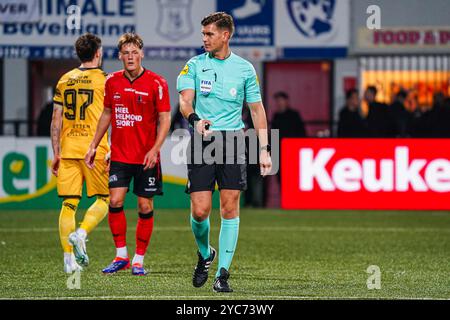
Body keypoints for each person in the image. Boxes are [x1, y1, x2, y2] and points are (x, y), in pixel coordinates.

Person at [177, 12, 272, 293]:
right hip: (203, 141)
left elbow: (257, 110)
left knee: (229, 208)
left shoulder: (245, 69)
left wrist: (264, 149)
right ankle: (206, 253)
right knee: (200, 210)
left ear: (225, 35)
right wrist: (196, 120)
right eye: (203, 34)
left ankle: (222, 275)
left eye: (209, 34)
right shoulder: (193, 65)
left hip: (232, 142)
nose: (204, 39)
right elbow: (184, 102)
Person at [85, 32, 171, 276]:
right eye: (126, 53)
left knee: (144, 206)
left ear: (141, 54)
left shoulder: (157, 83)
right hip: (120, 155)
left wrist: (155, 149)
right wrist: (94, 145)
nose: (131, 57)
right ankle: (121, 255)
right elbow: (106, 114)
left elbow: (165, 118)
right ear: (120, 56)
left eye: (135, 52)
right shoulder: (111, 81)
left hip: (147, 157)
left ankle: (138, 259)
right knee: (115, 201)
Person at [50, 33, 110, 274]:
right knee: (104, 199)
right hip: (94, 149)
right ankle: (81, 233)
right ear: (97, 53)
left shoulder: (65, 80)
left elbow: (56, 120)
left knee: (69, 203)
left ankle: (68, 260)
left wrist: (56, 152)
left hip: (68, 149)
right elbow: (113, 116)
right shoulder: (106, 80)